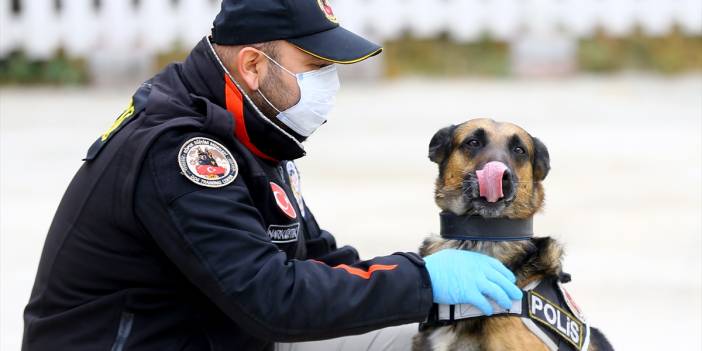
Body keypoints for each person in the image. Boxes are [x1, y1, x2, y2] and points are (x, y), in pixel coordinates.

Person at [21, 0, 523, 350]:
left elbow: (313, 259)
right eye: (316, 65)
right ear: (254, 65)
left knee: (446, 341)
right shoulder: (183, 152)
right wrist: (421, 281)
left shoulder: (250, 131)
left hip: (215, 335)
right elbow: (272, 297)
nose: (330, 82)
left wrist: (431, 291)